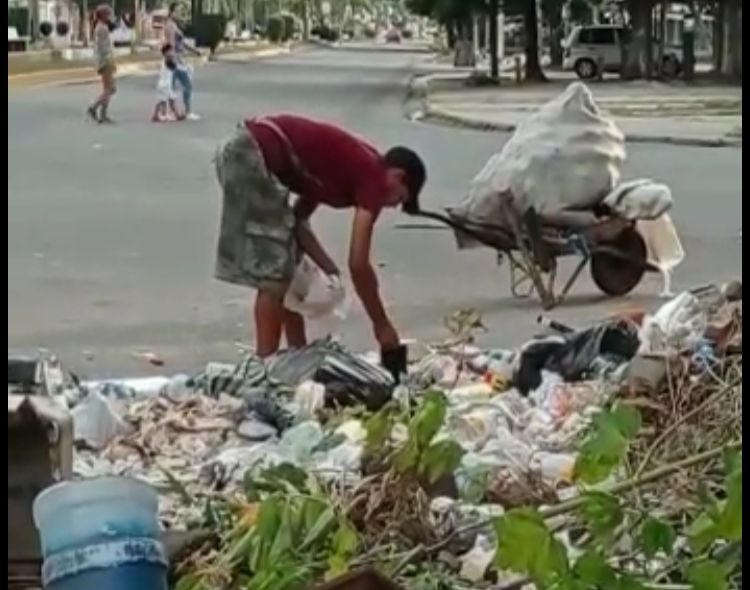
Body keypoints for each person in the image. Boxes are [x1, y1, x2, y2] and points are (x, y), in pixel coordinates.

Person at [214, 114, 426, 358]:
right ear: (398, 176)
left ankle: (298, 352)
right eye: (399, 198)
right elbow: (359, 264)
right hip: (251, 153)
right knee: (272, 272)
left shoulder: (347, 170)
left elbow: (298, 221)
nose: (391, 205)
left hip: (242, 148)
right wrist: (382, 325)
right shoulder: (374, 178)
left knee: (287, 263)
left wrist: (327, 267)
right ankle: (264, 365)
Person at [164, 2, 202, 121]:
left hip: (178, 58)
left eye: (181, 11)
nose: (180, 14)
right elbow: (170, 43)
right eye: (178, 11)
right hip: (175, 60)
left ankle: (174, 112)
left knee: (172, 86)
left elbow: (181, 42)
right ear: (171, 12)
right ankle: (184, 111)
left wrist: (194, 50)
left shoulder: (174, 25)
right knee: (185, 85)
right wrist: (172, 58)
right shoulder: (170, 26)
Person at [87, 5, 116, 124]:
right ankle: (93, 108)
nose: (111, 17)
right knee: (110, 88)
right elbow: (104, 48)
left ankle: (103, 114)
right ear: (104, 15)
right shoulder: (102, 28)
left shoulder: (101, 27)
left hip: (104, 60)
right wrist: (110, 60)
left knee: (109, 89)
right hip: (105, 61)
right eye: (109, 14)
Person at [151, 44, 182, 122]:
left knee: (162, 100)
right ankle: (177, 115)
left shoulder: (165, 60)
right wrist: (177, 60)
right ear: (165, 53)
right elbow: (174, 67)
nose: (172, 52)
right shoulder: (167, 60)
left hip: (163, 84)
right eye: (170, 51)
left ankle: (156, 115)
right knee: (170, 100)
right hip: (166, 85)